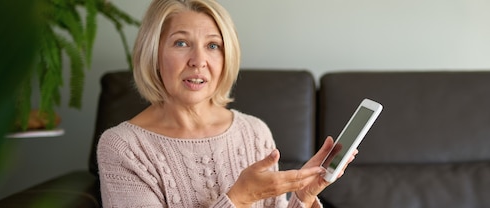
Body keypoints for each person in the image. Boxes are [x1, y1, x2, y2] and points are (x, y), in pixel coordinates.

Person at [96, 0, 356, 207]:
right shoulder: (123, 147)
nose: (199, 60)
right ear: (153, 54)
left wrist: (304, 196)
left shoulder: (254, 132)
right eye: (181, 43)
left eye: (212, 45)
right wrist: (238, 200)